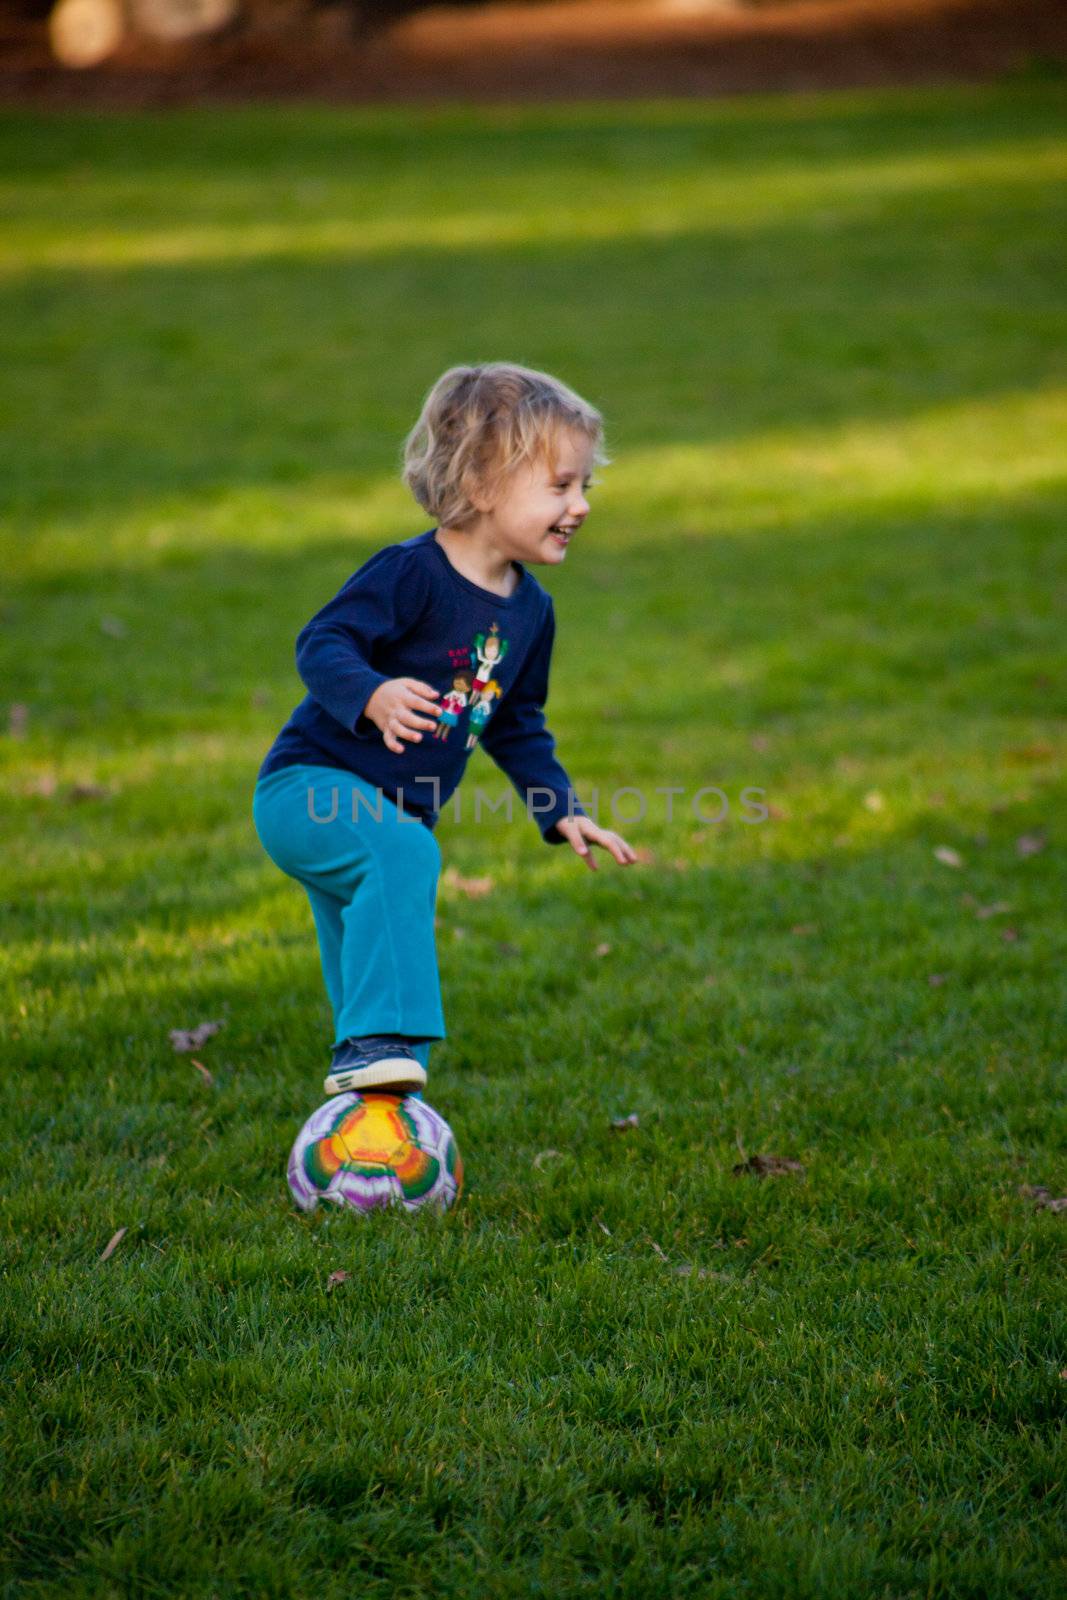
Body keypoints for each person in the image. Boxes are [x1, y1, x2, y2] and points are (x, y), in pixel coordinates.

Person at [252, 361, 638, 1102]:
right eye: (560, 485)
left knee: (368, 931)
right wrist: (370, 694)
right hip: (308, 787)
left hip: (385, 811)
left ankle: (368, 1089)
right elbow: (321, 642)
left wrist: (561, 811)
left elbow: (517, 723)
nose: (581, 504)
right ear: (481, 483)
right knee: (402, 854)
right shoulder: (410, 574)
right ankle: (379, 1043)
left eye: (585, 485)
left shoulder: (531, 612)